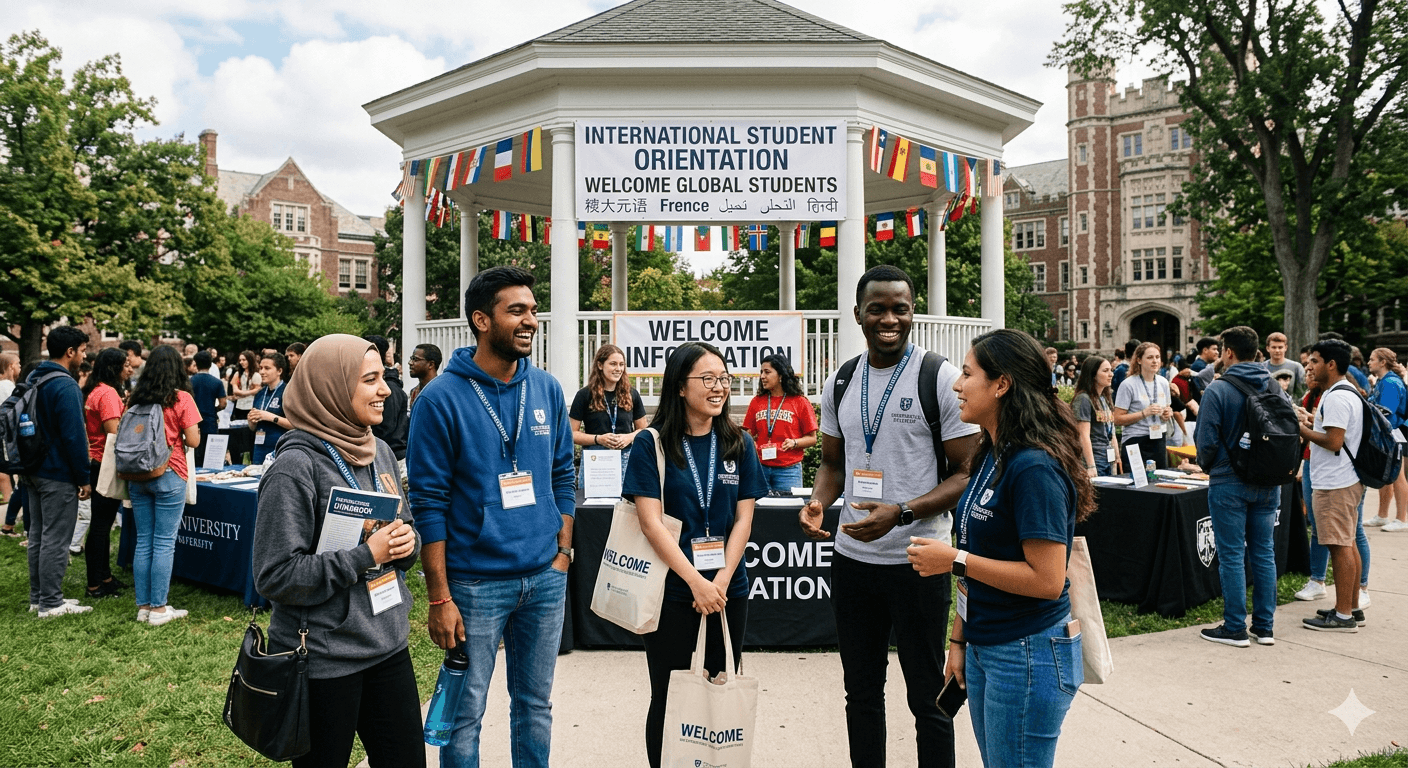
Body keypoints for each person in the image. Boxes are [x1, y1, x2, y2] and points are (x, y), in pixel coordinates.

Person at [799, 265, 981, 768]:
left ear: (912, 312)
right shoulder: (841, 380)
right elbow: (833, 464)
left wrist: (901, 513)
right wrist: (819, 501)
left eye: (899, 309)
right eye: (877, 308)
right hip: (853, 561)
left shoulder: (938, 377)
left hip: (918, 560)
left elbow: (966, 472)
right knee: (861, 694)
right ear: (858, 314)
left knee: (928, 698)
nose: (889, 319)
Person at [407, 266, 575, 768]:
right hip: (474, 584)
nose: (530, 320)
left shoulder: (545, 389)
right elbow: (429, 504)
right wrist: (439, 595)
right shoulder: (440, 399)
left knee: (535, 708)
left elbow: (564, 475)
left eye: (533, 310)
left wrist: (563, 553)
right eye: (516, 310)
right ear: (482, 320)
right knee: (465, 714)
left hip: (544, 578)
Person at [906, 328, 1094, 768]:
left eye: (968, 374)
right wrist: (959, 641)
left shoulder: (1034, 467)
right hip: (986, 648)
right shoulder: (992, 452)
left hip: (1027, 653)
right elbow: (975, 549)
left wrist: (954, 560)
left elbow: (1048, 581)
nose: (956, 384)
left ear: (1002, 384)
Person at [252, 334, 423, 767]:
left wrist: (406, 544)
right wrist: (367, 555)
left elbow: (401, 530)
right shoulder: (295, 468)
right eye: (370, 380)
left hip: (387, 646)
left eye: (383, 377)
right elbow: (274, 576)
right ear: (329, 387)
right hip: (324, 660)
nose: (385, 389)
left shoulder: (379, 450)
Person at [624, 341, 767, 768]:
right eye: (707, 378)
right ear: (680, 387)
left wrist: (719, 581)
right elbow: (651, 523)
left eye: (723, 378)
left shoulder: (739, 443)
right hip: (671, 590)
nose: (719, 386)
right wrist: (695, 581)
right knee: (668, 695)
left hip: (727, 591)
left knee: (719, 685)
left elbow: (743, 520)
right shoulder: (651, 445)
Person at [1194, 327, 1287, 647]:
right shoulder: (1274, 384)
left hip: (1228, 478)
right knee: (1264, 552)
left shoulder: (1218, 390)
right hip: (1268, 479)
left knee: (1232, 554)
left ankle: (1235, 626)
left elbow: (1205, 440)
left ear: (1229, 352)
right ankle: (1264, 626)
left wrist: (1211, 466)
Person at [126, 345, 201, 626]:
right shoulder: (181, 398)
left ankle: (144, 606)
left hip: (137, 475)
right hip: (170, 472)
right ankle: (159, 609)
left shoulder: (136, 399)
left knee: (143, 540)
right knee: (164, 542)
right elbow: (193, 441)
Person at [24, 327, 94, 617]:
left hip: (32, 467)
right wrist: (83, 478)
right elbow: (74, 437)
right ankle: (51, 603)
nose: (84, 355)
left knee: (38, 535)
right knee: (56, 538)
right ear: (70, 352)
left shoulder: (33, 377)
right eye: (82, 350)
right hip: (57, 472)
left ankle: (38, 597)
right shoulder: (65, 385)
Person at [1297, 339, 1365, 632]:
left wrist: (1299, 428)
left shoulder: (1336, 396)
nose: (1309, 366)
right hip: (1346, 478)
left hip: (1336, 482)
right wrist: (1312, 421)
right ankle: (1352, 608)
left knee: (1339, 546)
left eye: (1314, 361)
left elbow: (1334, 441)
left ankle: (1344, 615)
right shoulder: (1344, 392)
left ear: (1331, 364)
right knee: (1347, 542)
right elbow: (1336, 432)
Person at [80, 348, 131, 599]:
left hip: (96, 460)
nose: (129, 370)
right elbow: (114, 432)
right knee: (101, 525)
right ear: (114, 368)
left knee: (103, 523)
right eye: (125, 365)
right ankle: (94, 585)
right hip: (104, 462)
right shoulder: (109, 393)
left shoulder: (95, 390)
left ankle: (105, 576)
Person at [742, 353, 818, 494]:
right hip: (760, 468)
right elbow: (748, 434)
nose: (762, 376)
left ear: (781, 375)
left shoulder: (800, 402)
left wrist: (794, 443)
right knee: (760, 512)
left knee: (787, 513)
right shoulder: (757, 402)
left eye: (767, 372)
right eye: (761, 372)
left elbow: (812, 438)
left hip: (788, 471)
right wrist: (751, 444)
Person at [570, 343, 648, 464]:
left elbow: (643, 429)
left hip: (626, 460)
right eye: (613, 364)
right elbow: (572, 434)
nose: (618, 369)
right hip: (595, 462)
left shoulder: (632, 394)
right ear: (600, 365)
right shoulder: (584, 395)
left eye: (621, 365)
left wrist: (629, 437)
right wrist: (598, 439)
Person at [1366, 348, 1408, 531]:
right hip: (1386, 434)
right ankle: (1383, 516)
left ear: (1383, 362)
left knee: (1398, 476)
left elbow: (1385, 411)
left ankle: (1401, 519)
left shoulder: (1391, 382)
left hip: (1395, 433)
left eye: (1372, 359)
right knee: (1386, 474)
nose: (1368, 362)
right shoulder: (1383, 381)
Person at [1114, 341, 1174, 469]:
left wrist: (1167, 414)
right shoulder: (1128, 384)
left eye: (1157, 357)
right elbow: (1117, 419)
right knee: (1137, 484)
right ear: (1139, 360)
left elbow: (1167, 408)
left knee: (1158, 481)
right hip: (1136, 440)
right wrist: (1144, 413)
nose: (1155, 361)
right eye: (1150, 357)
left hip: (1159, 439)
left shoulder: (1163, 382)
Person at [363, 335, 409, 473]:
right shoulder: (393, 386)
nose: (384, 391)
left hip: (390, 458)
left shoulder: (391, 389)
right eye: (370, 379)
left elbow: (385, 427)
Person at [1072, 355, 1119, 477]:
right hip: (1094, 459)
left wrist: (1117, 458)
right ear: (1093, 375)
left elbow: (1111, 431)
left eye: (1111, 370)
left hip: (1107, 458)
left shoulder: (1104, 399)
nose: (1111, 374)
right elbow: (1083, 435)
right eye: (1105, 371)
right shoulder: (1083, 399)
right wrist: (1091, 466)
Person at [248, 352, 290, 464]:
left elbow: (295, 424)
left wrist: (271, 417)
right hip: (259, 447)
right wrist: (251, 421)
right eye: (260, 368)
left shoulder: (287, 392)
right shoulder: (260, 393)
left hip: (279, 448)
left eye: (267, 368)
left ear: (279, 371)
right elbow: (253, 428)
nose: (262, 372)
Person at [189, 351, 228, 468]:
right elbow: (223, 403)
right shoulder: (217, 382)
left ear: (195, 364)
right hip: (210, 420)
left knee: (194, 455)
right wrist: (214, 409)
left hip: (192, 421)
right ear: (210, 364)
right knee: (210, 456)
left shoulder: (189, 381)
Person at [0, 352, 18, 510]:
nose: (20, 367)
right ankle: (8, 509)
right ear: (11, 366)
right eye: (18, 364)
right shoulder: (8, 387)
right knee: (5, 471)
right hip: (6, 435)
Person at [407, 343, 443, 411]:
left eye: (415, 359)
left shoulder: (440, 393)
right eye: (411, 358)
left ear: (431, 364)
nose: (410, 362)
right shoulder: (414, 392)